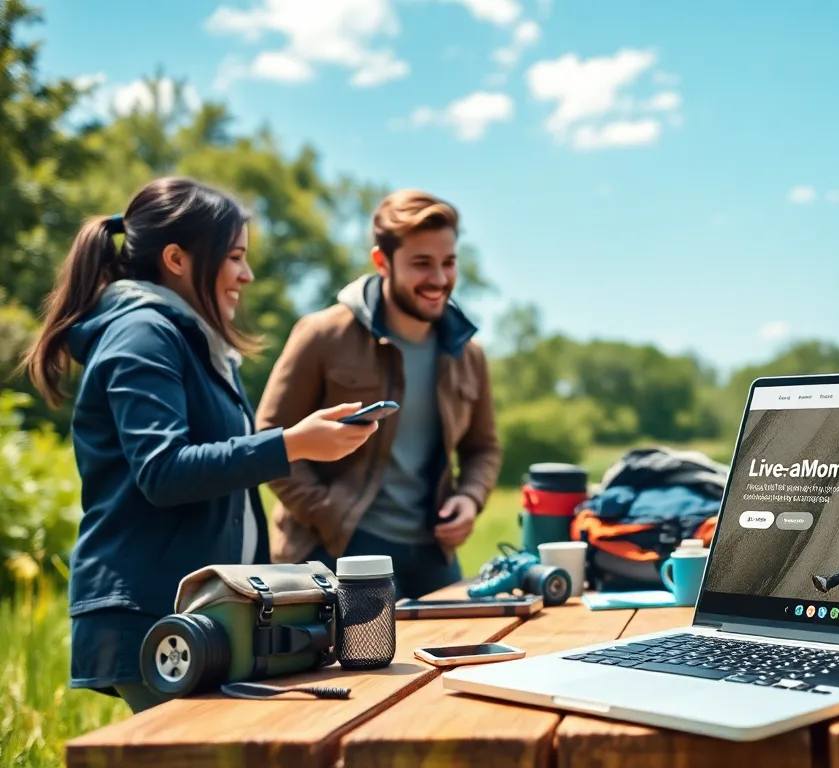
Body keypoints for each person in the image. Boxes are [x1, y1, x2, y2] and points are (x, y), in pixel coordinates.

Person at [21, 177, 377, 713]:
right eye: (234, 257)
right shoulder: (141, 334)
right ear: (176, 259)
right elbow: (164, 471)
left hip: (204, 614)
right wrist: (293, 444)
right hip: (151, 611)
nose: (247, 275)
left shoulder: (194, 343)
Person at [255, 189, 501, 599]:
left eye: (449, 262)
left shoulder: (468, 354)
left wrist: (470, 499)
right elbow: (270, 436)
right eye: (422, 263)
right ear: (382, 262)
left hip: (434, 554)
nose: (439, 280)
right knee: (356, 666)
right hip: (336, 550)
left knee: (458, 660)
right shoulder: (322, 334)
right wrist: (326, 511)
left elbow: (484, 447)